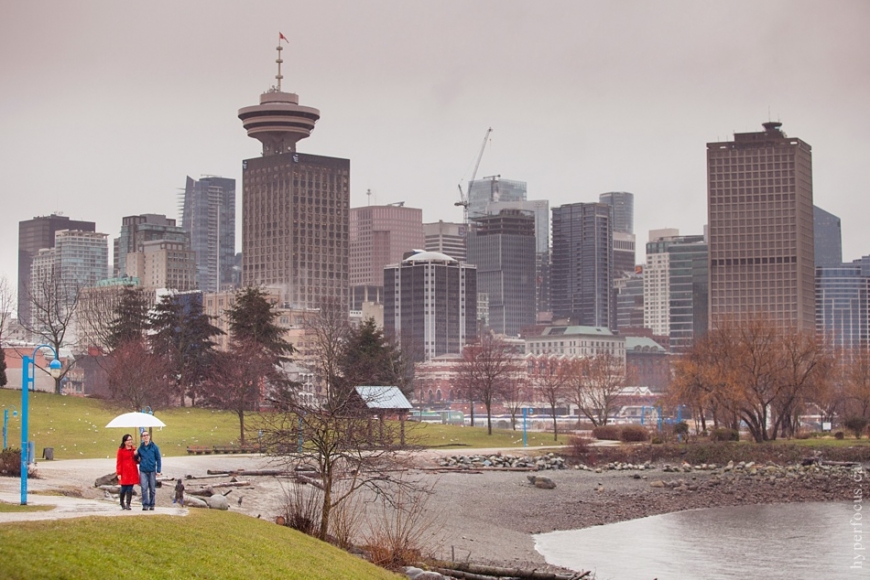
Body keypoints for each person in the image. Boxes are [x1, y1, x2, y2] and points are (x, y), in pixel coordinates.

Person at [136, 430, 162, 511]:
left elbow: (158, 459)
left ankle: (152, 504)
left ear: (149, 437)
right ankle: (145, 504)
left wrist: (158, 470)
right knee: (144, 488)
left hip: (152, 470)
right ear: (142, 438)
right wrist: (135, 454)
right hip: (143, 470)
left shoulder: (154, 447)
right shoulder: (140, 448)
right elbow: (137, 459)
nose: (145, 437)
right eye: (144, 435)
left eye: (147, 435)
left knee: (152, 488)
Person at [115, 434, 139, 510]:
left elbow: (137, 461)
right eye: (128, 440)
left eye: (131, 439)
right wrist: (119, 473)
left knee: (130, 488)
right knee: (123, 488)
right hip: (124, 471)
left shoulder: (134, 449)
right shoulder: (121, 450)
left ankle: (128, 504)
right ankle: (122, 502)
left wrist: (136, 455)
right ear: (125, 442)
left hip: (132, 471)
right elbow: (119, 462)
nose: (130, 441)